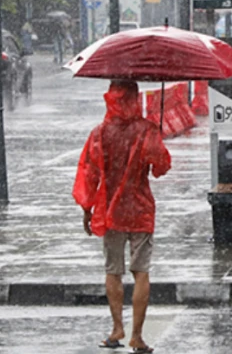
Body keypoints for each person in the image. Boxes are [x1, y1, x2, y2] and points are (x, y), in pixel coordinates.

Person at [73, 80, 171, 353]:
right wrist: (156, 139)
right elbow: (160, 167)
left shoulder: (100, 133)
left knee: (112, 271)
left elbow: (88, 173)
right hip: (140, 210)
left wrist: (87, 210)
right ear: (135, 99)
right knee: (141, 271)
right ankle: (137, 336)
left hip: (110, 211)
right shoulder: (146, 130)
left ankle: (117, 328)